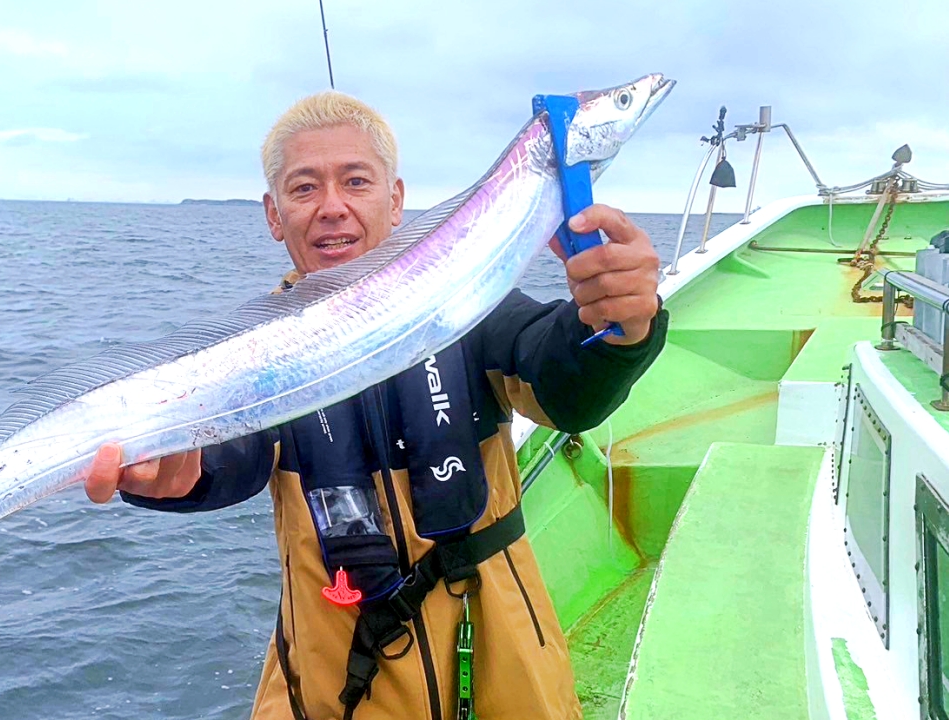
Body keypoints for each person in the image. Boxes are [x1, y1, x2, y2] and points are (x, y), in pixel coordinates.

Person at [83, 91, 667, 720]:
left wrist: (620, 328)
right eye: (304, 189)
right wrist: (179, 470)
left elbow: (564, 383)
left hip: (506, 675)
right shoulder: (255, 354)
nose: (332, 207)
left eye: (355, 181)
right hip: (336, 690)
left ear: (394, 199)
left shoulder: (468, 305)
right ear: (274, 215)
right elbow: (229, 453)